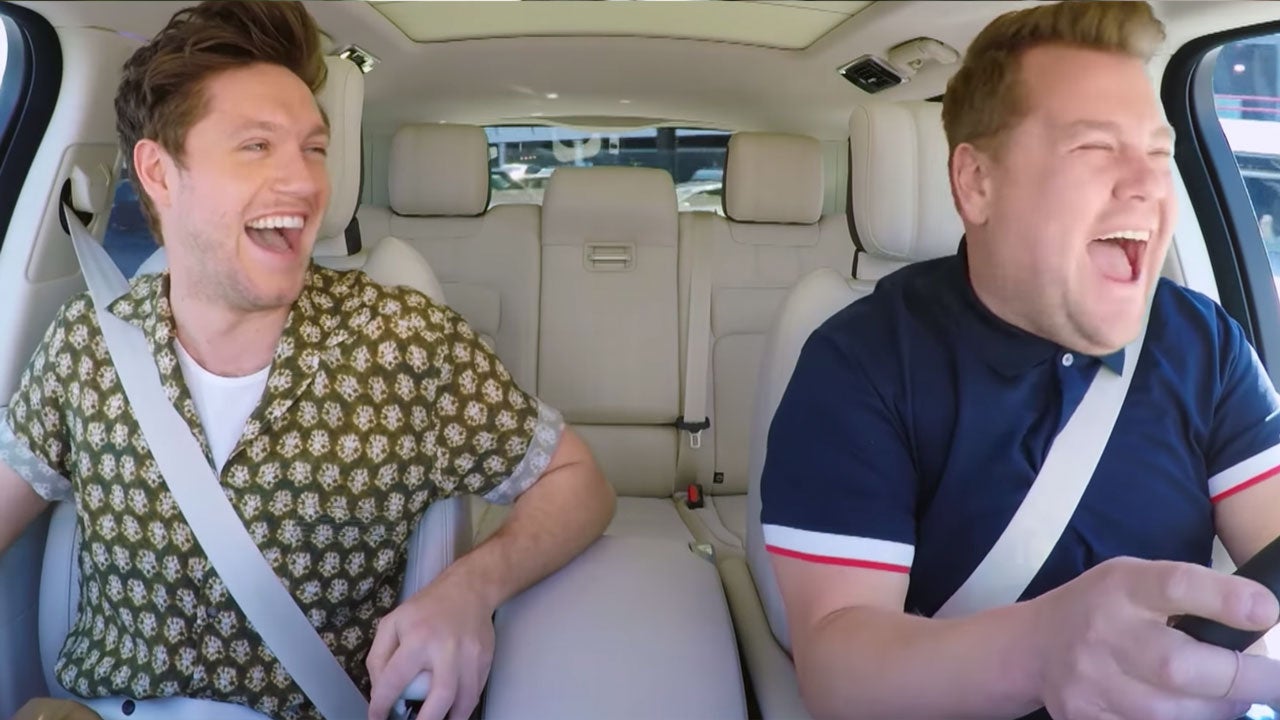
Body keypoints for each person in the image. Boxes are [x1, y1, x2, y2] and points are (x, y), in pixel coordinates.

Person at [0, 3, 615, 720]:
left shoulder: (403, 342)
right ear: (159, 173)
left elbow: (578, 481)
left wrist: (470, 588)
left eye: (314, 149)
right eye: (257, 145)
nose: (303, 182)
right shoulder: (88, 344)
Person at [761, 2, 1280, 719]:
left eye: (1158, 154)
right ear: (976, 182)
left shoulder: (1203, 342)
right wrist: (1037, 652)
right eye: (1094, 147)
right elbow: (837, 667)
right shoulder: (859, 363)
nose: (1146, 185)